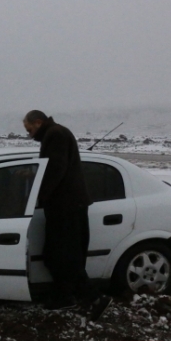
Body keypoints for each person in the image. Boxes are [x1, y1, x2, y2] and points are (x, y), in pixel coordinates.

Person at [23, 110, 112, 321]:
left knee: (66, 255)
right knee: (55, 254)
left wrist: (39, 195)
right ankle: (64, 297)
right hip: (66, 204)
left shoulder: (55, 135)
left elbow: (56, 169)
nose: (29, 134)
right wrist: (32, 174)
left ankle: (94, 298)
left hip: (67, 206)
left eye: (29, 129)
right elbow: (52, 167)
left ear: (38, 122)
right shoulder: (55, 133)